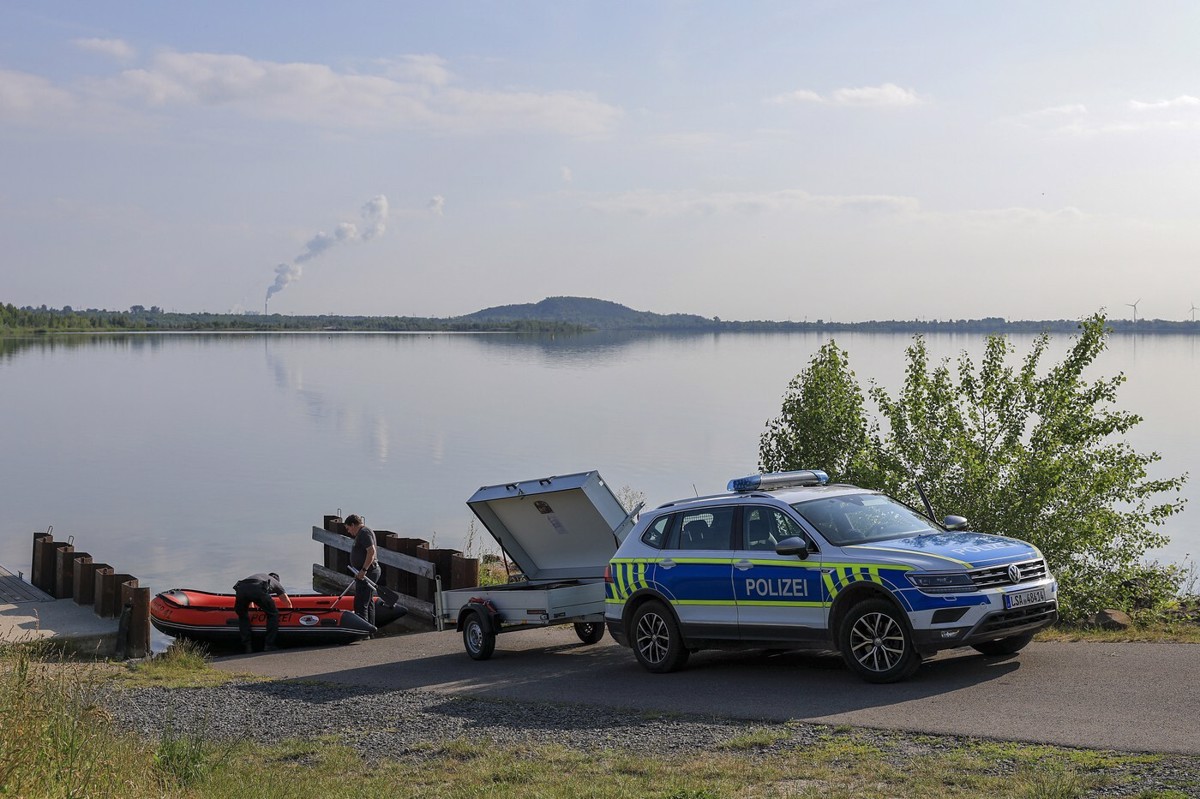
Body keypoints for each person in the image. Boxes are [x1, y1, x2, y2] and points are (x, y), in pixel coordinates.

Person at [233, 572, 292, 653]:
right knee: (273, 614)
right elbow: (287, 602)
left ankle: (247, 646)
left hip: (241, 588)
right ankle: (269, 645)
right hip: (257, 588)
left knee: (242, 616)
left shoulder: (261, 576)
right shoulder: (276, 583)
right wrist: (290, 613)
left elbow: (250, 596)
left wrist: (253, 610)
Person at [344, 514, 380, 627]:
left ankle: (363, 630)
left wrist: (364, 570)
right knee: (367, 602)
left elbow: (371, 551)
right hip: (362, 572)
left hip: (368, 572)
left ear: (353, 525)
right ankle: (369, 628)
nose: (349, 532)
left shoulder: (364, 532)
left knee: (361, 603)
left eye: (348, 528)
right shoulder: (361, 533)